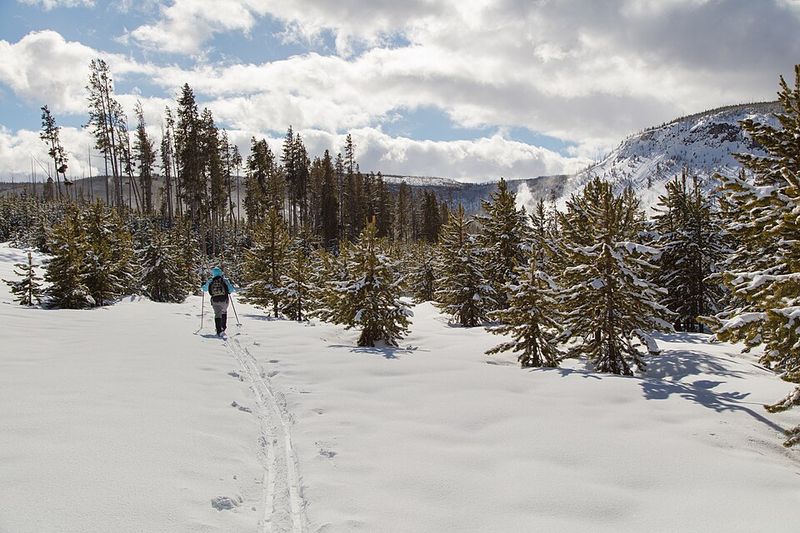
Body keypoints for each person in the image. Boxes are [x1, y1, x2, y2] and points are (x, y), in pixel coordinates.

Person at [201, 267, 237, 336]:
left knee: (217, 314)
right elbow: (231, 290)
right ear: (220, 272)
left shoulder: (211, 281)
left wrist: (203, 285)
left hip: (215, 300)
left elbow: (204, 289)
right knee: (224, 312)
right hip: (224, 300)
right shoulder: (224, 280)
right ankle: (223, 327)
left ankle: (219, 330)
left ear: (213, 273)